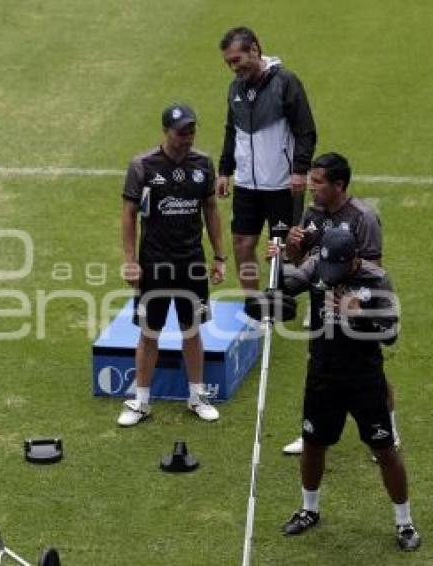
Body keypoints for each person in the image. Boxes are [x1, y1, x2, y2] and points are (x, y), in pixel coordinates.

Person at [258, 228, 420, 551]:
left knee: (385, 450)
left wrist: (359, 315)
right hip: (322, 376)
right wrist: (276, 273)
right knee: (313, 444)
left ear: (355, 259)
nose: (328, 277)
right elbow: (286, 287)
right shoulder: (317, 264)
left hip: (364, 379)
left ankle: (404, 523)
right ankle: (309, 509)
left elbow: (390, 333)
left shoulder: (377, 280)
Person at [279, 152, 401, 455]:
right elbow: (303, 263)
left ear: (339, 185)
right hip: (322, 305)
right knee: (317, 367)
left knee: (371, 371)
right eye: (311, 181)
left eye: (318, 183)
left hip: (354, 306)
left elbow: (374, 268)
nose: (311, 188)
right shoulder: (312, 213)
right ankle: (310, 434)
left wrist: (354, 307)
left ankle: (389, 430)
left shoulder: (363, 217)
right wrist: (293, 247)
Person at [118, 103, 227, 426]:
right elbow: (128, 214)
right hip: (154, 263)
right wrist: (130, 260)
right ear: (166, 131)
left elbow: (210, 209)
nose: (187, 137)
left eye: (191, 131)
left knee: (191, 331)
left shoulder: (202, 164)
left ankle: (196, 396)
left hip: (191, 262)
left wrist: (219, 257)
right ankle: (140, 402)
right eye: (181, 132)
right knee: (149, 334)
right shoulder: (142, 166)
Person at [216, 26, 317, 291]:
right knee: (242, 243)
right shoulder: (235, 88)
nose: (233, 68)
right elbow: (232, 129)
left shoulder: (286, 82)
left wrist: (300, 170)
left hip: (282, 184)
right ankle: (253, 305)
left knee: (291, 247)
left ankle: (318, 292)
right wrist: (225, 170)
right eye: (228, 63)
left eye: (236, 60)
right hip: (247, 184)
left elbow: (305, 130)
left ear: (254, 50)